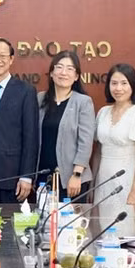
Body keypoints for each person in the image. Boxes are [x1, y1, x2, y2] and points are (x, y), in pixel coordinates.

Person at [93, 63, 135, 237]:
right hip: (104, 180)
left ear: (133, 86)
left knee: (128, 230)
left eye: (124, 83)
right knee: (104, 231)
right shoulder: (103, 113)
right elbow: (98, 151)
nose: (118, 88)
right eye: (114, 83)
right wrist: (93, 183)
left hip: (129, 180)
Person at [0, 38, 39, 203]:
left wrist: (26, 176)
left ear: (11, 59)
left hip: (12, 176)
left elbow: (31, 137)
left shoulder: (26, 91)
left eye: (3, 56)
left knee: (10, 226)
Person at [36, 50, 94, 201]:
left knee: (71, 223)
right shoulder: (40, 99)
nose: (63, 73)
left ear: (76, 76)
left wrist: (77, 174)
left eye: (70, 69)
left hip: (71, 180)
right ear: (51, 73)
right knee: (44, 222)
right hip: (42, 177)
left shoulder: (83, 102)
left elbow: (85, 142)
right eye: (59, 67)